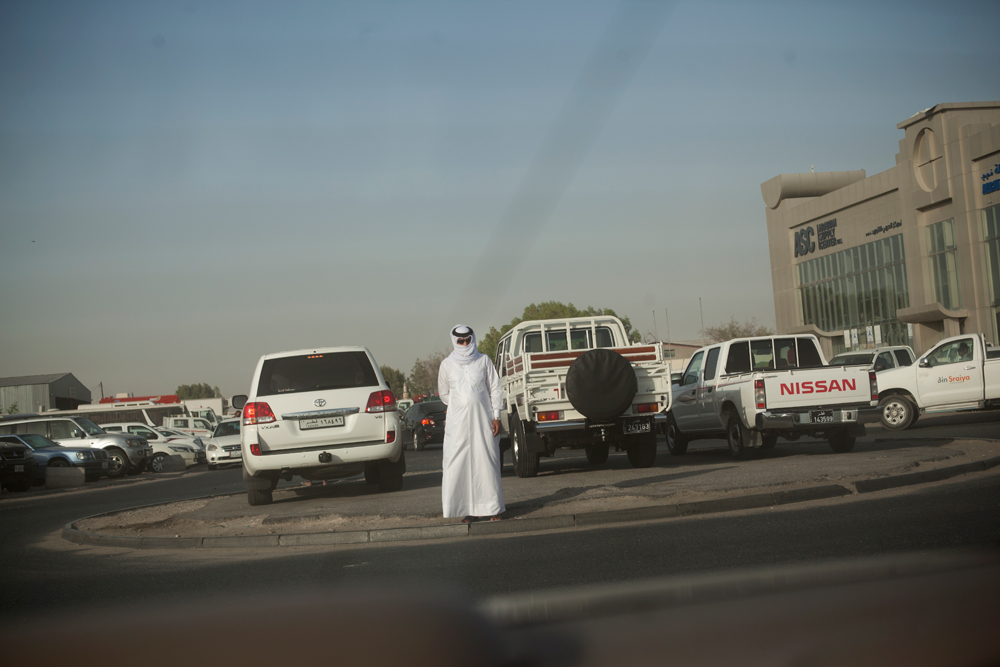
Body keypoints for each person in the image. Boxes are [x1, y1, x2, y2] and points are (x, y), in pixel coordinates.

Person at [437, 325, 505, 523]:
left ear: (472, 339)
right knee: (459, 463)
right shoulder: (447, 365)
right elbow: (444, 394)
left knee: (486, 461)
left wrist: (497, 416)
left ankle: (493, 509)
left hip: (483, 420)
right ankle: (467, 510)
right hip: (458, 424)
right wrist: (462, 404)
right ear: (454, 341)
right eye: (461, 341)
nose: (465, 344)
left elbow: (495, 388)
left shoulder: (483, 360)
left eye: (468, 340)